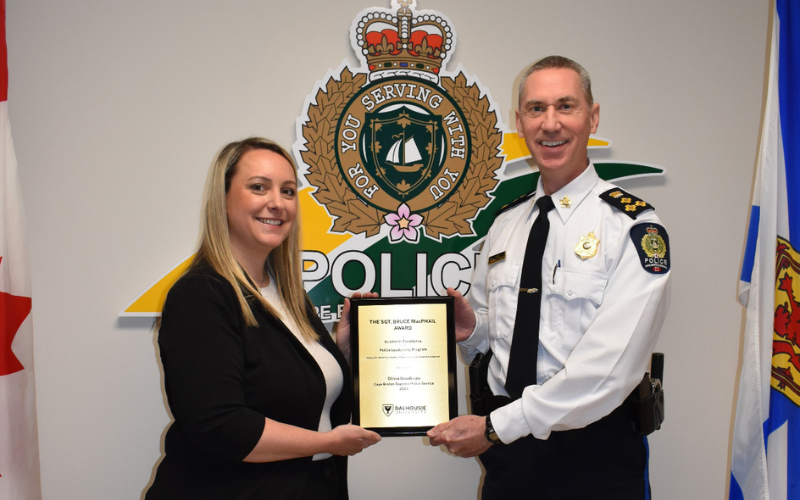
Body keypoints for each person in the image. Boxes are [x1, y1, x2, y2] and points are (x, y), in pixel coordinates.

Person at [427, 56, 671, 499]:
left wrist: (498, 426)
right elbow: (499, 337)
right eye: (537, 109)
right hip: (508, 459)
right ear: (519, 122)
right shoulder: (506, 224)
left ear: (592, 117)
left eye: (566, 106)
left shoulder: (632, 227)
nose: (551, 124)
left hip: (595, 457)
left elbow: (608, 369)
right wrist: (472, 330)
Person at [145, 137, 380, 500]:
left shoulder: (286, 293)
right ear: (222, 200)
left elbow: (292, 389)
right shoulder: (202, 295)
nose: (277, 203)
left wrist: (343, 352)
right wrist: (328, 443)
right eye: (259, 187)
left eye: (288, 191)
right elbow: (220, 425)